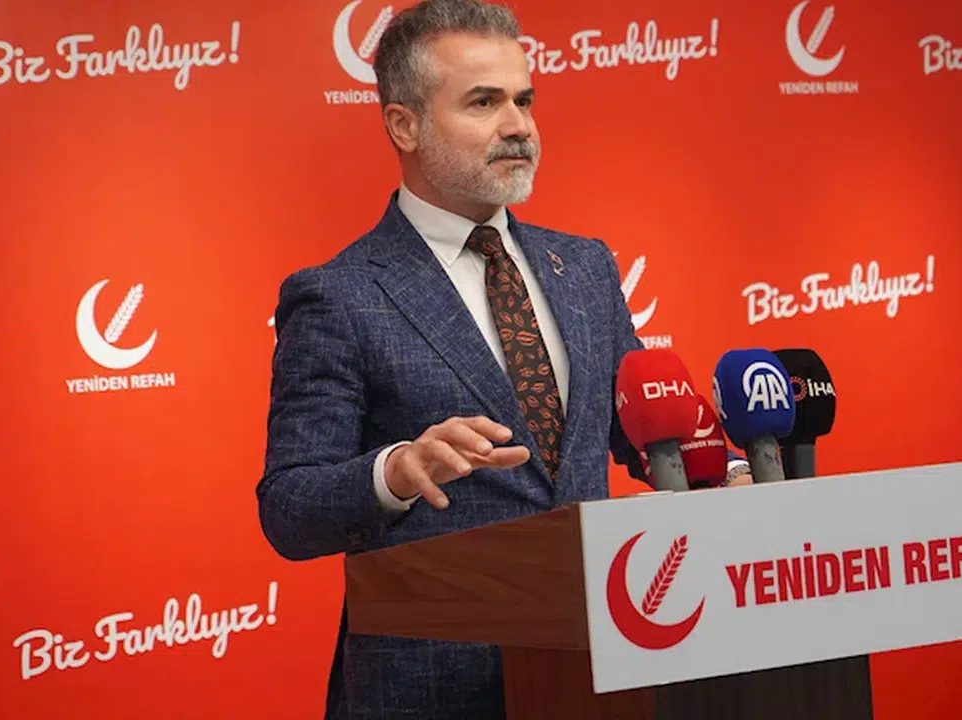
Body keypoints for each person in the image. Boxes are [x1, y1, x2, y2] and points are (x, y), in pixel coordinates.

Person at [256, 1, 750, 717]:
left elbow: (646, 431)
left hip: (600, 669)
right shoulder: (340, 295)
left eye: (525, 100)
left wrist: (728, 475)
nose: (518, 126)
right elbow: (289, 509)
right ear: (404, 125)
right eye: (483, 102)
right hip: (435, 693)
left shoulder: (586, 268)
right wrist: (395, 471)